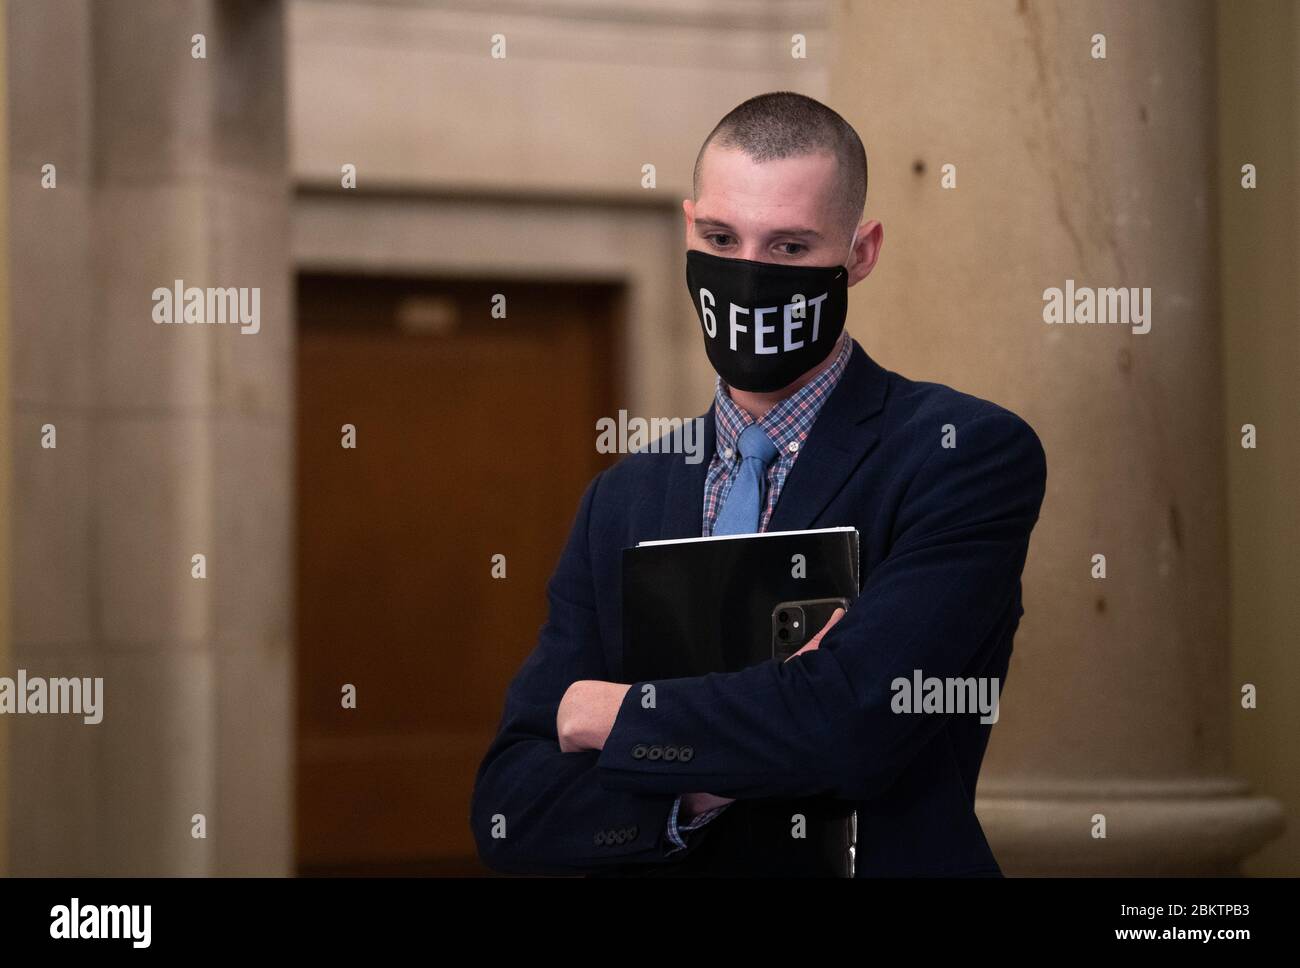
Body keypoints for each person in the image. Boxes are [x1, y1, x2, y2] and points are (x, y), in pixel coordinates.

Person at [470, 91, 1047, 876]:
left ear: (860, 253)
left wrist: (616, 715)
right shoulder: (623, 499)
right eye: (720, 237)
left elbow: (851, 728)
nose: (745, 276)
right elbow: (513, 811)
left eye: (787, 249)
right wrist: (713, 779)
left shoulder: (961, 456)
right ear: (689, 228)